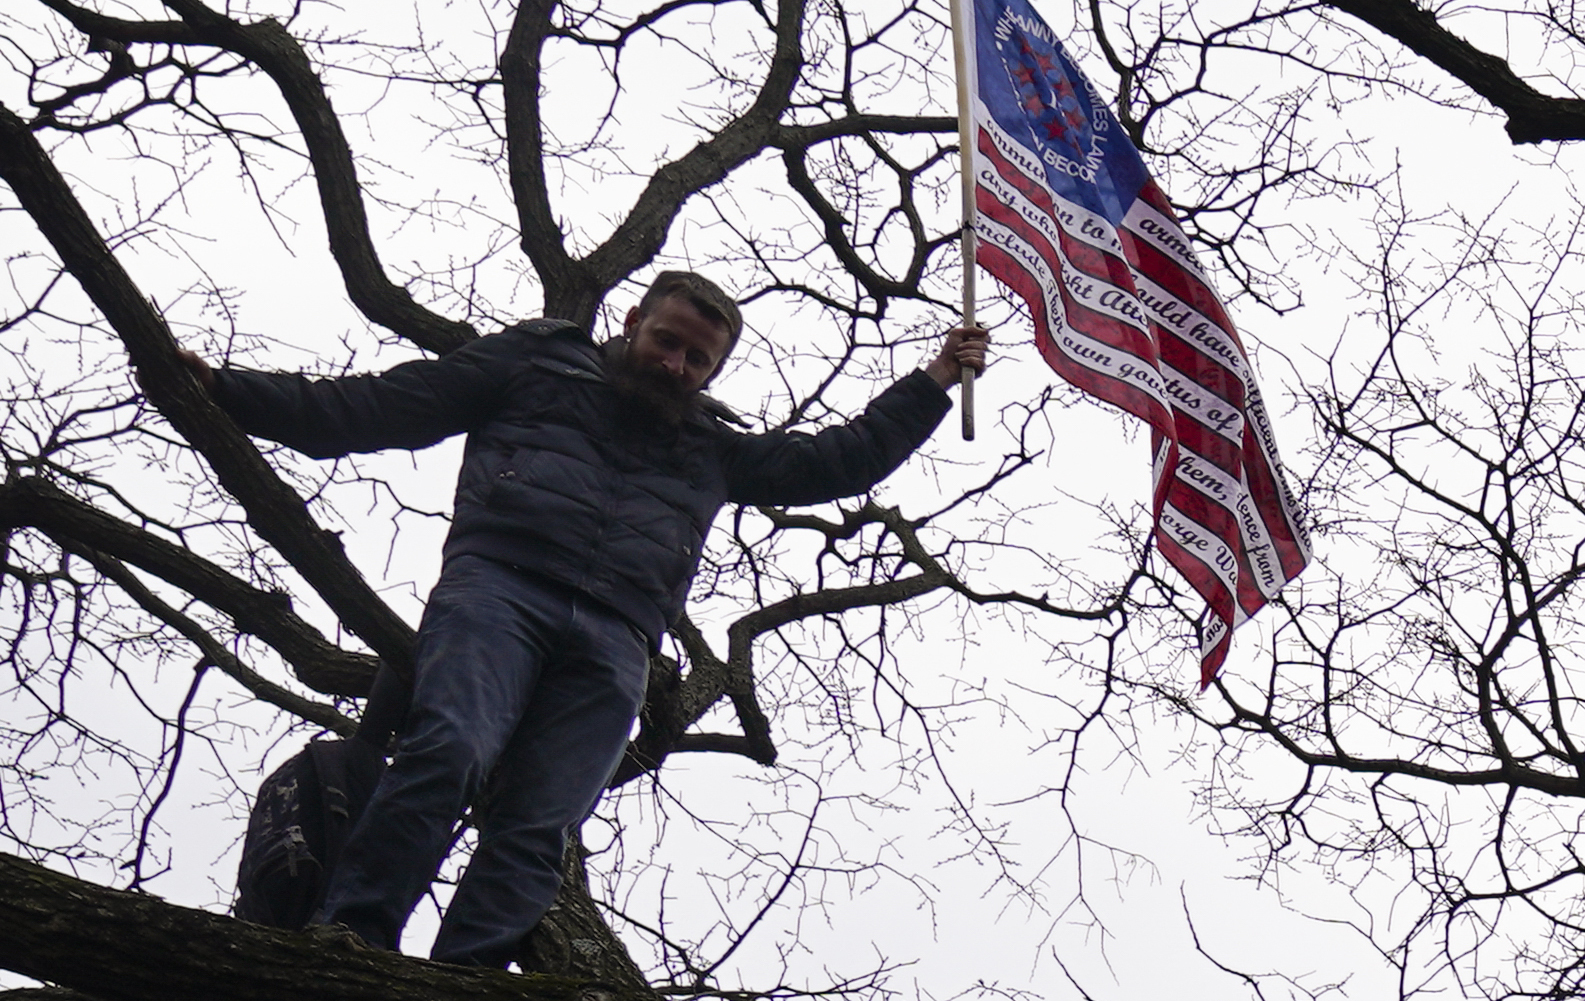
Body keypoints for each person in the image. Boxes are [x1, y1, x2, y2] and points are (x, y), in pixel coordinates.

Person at [160, 276, 987, 963]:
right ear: (631, 322)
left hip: (619, 636)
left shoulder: (712, 446)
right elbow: (379, 406)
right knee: (448, 749)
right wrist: (225, 392)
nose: (677, 365)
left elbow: (836, 460)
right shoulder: (535, 366)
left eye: (700, 359)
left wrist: (934, 381)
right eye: (667, 340)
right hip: (499, 590)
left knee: (538, 826)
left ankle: (463, 989)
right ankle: (351, 935)